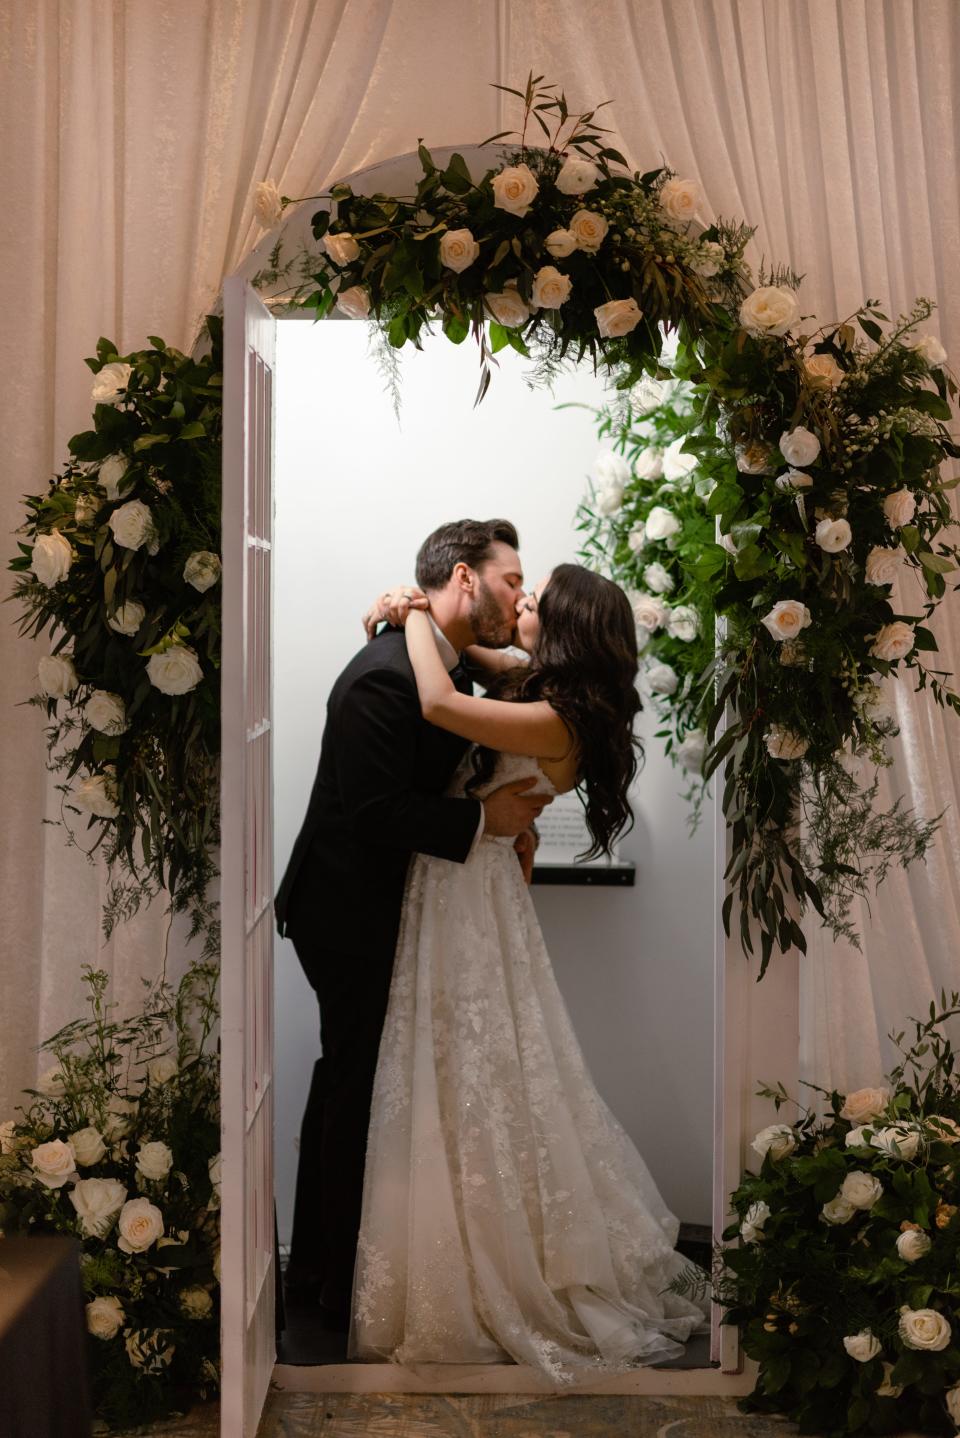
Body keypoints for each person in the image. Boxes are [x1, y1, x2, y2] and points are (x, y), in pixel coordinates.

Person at [351, 564, 710, 1379]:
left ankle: (497, 1269)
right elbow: (465, 668)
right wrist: (397, 618)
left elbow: (440, 703)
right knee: (476, 1069)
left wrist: (409, 607)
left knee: (476, 1070)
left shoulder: (556, 717)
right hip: (466, 883)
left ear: (567, 627)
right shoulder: (544, 690)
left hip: (468, 895)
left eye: (536, 601)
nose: (520, 602)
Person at [274, 519, 553, 1329]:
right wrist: (481, 819)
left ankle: (331, 1268)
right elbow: (371, 809)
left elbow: (509, 668)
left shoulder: (441, 657)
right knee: (352, 1082)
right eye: (510, 580)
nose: (518, 595)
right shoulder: (383, 680)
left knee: (354, 1082)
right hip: (343, 910)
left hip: (386, 904)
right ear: (465, 578)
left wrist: (416, 613)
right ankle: (328, 1283)